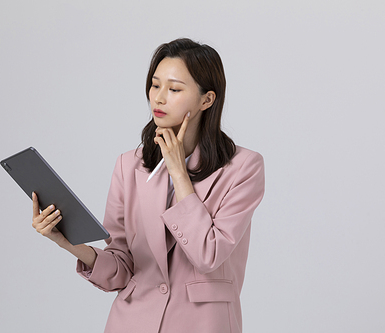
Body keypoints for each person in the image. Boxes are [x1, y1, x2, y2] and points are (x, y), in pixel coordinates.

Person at [31, 38, 265, 333]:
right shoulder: (129, 165)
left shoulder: (244, 167)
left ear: (206, 100)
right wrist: (69, 243)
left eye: (175, 89)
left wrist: (180, 175)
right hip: (131, 322)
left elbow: (209, 254)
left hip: (202, 324)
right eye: (155, 85)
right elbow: (120, 267)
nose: (159, 98)